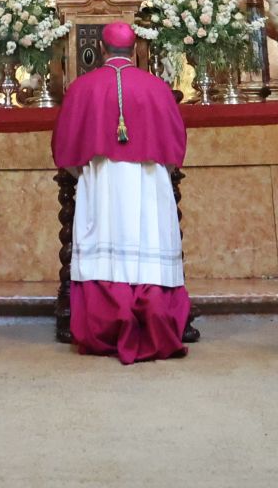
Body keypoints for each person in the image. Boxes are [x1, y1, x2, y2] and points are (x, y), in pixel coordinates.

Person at [52, 21, 191, 363]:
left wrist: (86, 170)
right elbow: (176, 143)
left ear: (101, 49)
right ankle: (155, 315)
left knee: (105, 244)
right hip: (149, 180)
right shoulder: (157, 87)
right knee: (150, 242)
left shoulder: (82, 87)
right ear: (136, 50)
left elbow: (65, 146)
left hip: (102, 181)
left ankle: (106, 320)